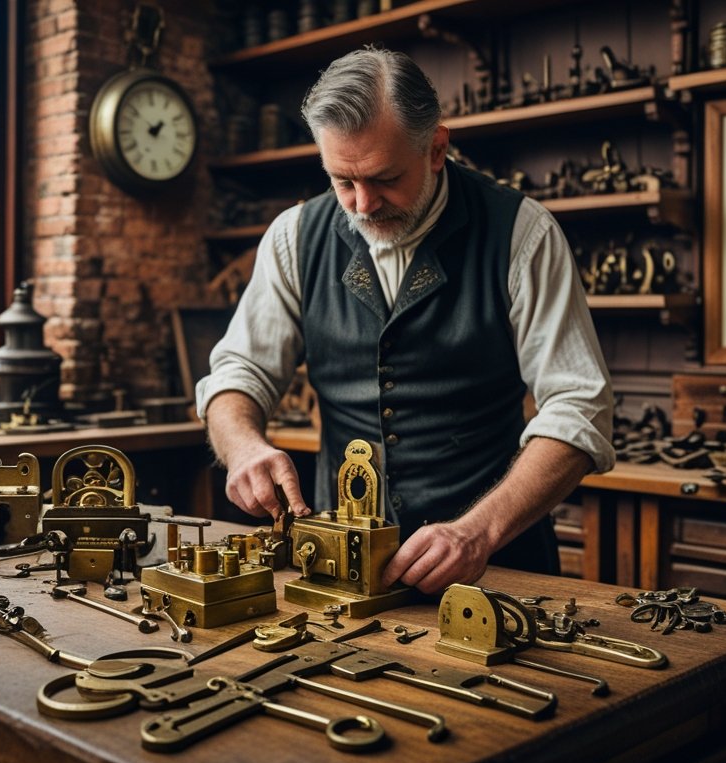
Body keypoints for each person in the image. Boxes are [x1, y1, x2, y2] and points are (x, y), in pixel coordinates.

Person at [196, 47, 614, 594]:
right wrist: (243, 446)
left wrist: (478, 532)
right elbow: (236, 373)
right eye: (342, 181)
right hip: (339, 572)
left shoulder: (522, 234)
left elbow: (579, 407)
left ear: (436, 147)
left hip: (494, 573)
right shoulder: (292, 237)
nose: (363, 205)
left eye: (384, 178)